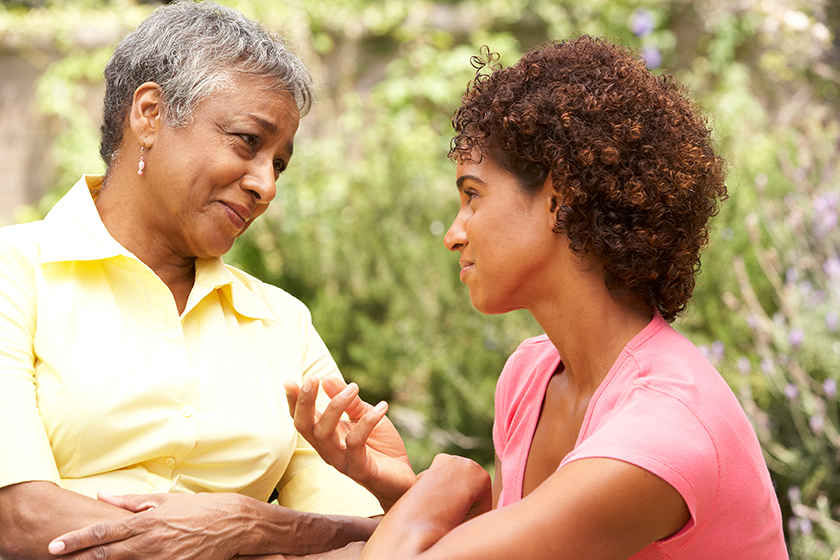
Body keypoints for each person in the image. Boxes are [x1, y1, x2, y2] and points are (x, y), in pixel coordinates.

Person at [286, 36, 789, 559]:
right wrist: (396, 484)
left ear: (559, 199)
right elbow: (528, 542)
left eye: (472, 195)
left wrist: (448, 484)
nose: (454, 233)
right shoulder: (531, 376)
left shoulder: (662, 430)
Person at [0, 2, 410, 559]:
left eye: (280, 164)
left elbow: (362, 534)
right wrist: (255, 531)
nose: (266, 185)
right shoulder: (14, 274)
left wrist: (250, 525)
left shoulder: (281, 322)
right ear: (149, 114)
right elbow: (20, 520)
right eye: (247, 141)